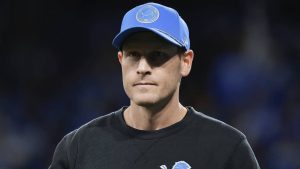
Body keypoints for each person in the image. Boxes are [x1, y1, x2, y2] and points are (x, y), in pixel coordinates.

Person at [49, 2, 260, 169]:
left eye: (157, 55)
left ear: (186, 62)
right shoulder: (78, 147)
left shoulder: (226, 148)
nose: (142, 67)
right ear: (121, 59)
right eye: (133, 55)